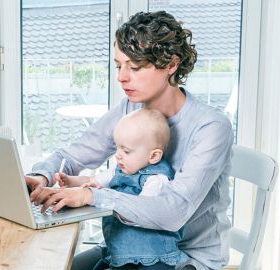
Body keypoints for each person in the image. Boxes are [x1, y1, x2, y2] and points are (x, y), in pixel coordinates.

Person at [27, 10, 233, 270]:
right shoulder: (130, 109)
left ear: (171, 64)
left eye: (134, 67)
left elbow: (173, 212)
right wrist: (41, 176)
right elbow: (78, 153)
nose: (122, 77)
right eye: (119, 65)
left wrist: (91, 196)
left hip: (186, 258)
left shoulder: (211, 126)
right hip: (128, 246)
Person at [55, 107, 189, 270]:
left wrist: (96, 196)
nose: (118, 155)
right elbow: (92, 180)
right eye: (117, 147)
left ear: (153, 156)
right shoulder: (120, 169)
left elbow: (140, 212)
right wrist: (70, 180)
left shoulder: (156, 180)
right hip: (121, 253)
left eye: (126, 151)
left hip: (151, 259)